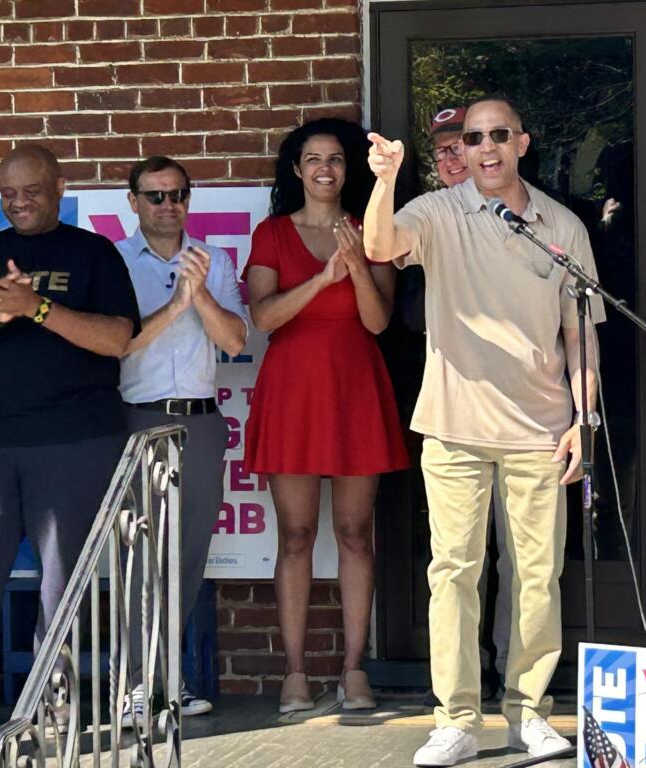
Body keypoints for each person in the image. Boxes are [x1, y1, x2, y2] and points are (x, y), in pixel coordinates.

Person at [364, 97, 605, 765]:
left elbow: (581, 333)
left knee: (536, 576)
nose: (487, 146)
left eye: (500, 134)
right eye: (474, 138)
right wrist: (385, 180)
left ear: (523, 143)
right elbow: (380, 246)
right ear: (461, 153)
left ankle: (529, 713)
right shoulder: (439, 213)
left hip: (540, 429)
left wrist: (583, 421)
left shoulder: (561, 224)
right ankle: (457, 721)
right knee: (455, 574)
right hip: (454, 428)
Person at [0, 144, 141, 736]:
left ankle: (51, 699)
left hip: (75, 437)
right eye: (8, 194)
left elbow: (117, 338)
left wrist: (36, 306)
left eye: (31, 191)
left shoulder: (93, 253)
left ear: (59, 186)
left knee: (66, 577)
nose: (19, 203)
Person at [244, 118, 409, 713]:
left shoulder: (372, 231)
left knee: (355, 534)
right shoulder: (272, 234)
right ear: (296, 169)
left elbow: (377, 322)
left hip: (355, 389)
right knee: (294, 536)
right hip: (292, 392)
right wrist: (322, 279)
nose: (324, 168)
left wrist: (358, 265)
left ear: (349, 169)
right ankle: (294, 673)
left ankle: (353, 669)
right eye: (313, 158)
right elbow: (263, 320)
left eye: (336, 159)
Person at [115, 155, 250, 726]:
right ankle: (136, 685)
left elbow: (236, 339)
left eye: (177, 195)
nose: (167, 206)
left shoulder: (212, 261)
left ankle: (168, 679)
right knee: (138, 553)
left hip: (198, 420)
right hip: (133, 419)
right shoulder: (114, 261)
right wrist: (175, 304)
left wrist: (198, 295)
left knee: (187, 555)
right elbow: (118, 344)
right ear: (134, 202)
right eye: (155, 196)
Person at [426, 106, 512, 697]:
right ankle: (457, 694)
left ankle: (512, 677)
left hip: (521, 412)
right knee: (454, 561)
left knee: (524, 563)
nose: (459, 157)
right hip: (445, 406)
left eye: (469, 144)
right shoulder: (423, 219)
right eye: (447, 151)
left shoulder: (529, 216)